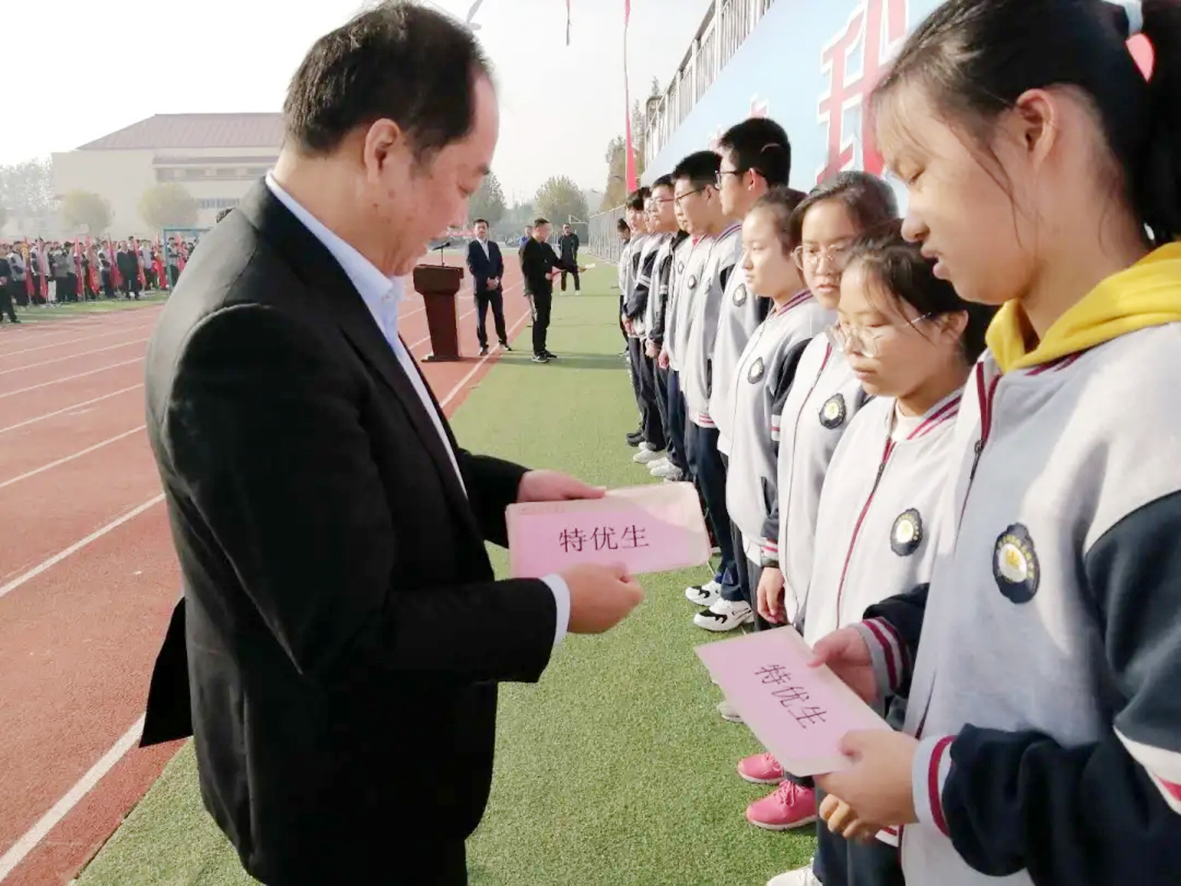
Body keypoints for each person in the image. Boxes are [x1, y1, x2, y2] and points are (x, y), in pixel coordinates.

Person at [136, 5, 644, 885]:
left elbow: (372, 446)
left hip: (366, 769)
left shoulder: (302, 263)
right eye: (461, 180)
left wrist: (508, 493)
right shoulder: (256, 327)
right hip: (345, 799)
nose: (459, 212)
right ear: (381, 151)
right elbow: (348, 635)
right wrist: (556, 605)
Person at [808, 3, 1181, 886]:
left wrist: (939, 786)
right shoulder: (1019, 363)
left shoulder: (1157, 404)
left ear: (1031, 127)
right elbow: (1032, 593)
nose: (908, 222)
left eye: (915, 171)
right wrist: (897, 639)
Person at [764, 227, 993, 886]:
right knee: (833, 857)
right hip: (840, 700)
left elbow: (958, 627)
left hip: (903, 751)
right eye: (842, 324)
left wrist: (905, 765)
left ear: (950, 325)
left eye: (873, 325)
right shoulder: (869, 421)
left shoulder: (971, 449)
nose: (850, 345)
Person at [741, 171, 898, 832]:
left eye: (840, 247)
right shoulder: (813, 351)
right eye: (809, 248)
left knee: (853, 740)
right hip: (803, 567)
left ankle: (811, 798)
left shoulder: (886, 362)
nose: (822, 264)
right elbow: (787, 466)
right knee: (807, 697)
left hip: (861, 599)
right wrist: (775, 553)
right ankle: (798, 773)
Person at [674, 150, 747, 632]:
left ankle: (740, 588)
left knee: (729, 499)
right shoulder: (702, 247)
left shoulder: (735, 249)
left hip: (719, 405)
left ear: (709, 192)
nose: (678, 208)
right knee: (709, 484)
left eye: (682, 197)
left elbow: (729, 336)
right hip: (698, 394)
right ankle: (729, 576)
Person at [519, 218, 573, 362]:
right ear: (537, 229)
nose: (548, 233)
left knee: (545, 319)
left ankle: (542, 348)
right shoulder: (527, 246)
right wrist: (543, 274)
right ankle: (537, 352)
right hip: (534, 289)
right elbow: (526, 269)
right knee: (538, 320)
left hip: (545, 288)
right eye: (546, 230)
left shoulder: (545, 247)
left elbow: (557, 261)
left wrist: (574, 268)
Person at [465, 217, 510, 355]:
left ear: (487, 229)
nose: (482, 230)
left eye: (484, 227)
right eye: (479, 228)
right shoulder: (471, 247)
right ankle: (483, 345)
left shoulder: (494, 246)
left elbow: (500, 265)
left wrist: (496, 279)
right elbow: (472, 267)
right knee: (481, 318)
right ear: (474, 230)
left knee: (499, 315)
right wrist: (486, 281)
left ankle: (503, 341)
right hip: (481, 288)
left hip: (495, 287)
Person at [558, 222, 580, 292]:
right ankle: (563, 290)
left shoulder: (574, 237)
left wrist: (573, 257)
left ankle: (577, 290)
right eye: (565, 228)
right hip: (563, 261)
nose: (567, 229)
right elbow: (560, 248)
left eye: (568, 227)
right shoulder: (561, 239)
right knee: (563, 276)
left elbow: (576, 247)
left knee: (575, 275)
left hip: (572, 260)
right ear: (563, 229)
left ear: (570, 229)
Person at [0, 248, 15, 323]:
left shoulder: (4, 261)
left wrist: (6, 279)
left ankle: (13, 318)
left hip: (5, 284)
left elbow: (8, 272)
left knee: (7, 301)